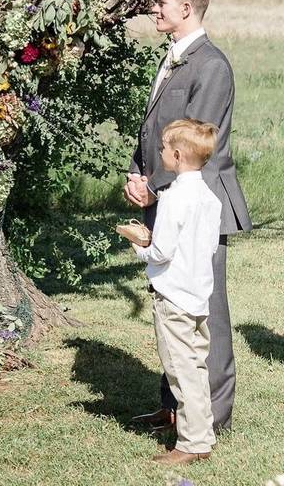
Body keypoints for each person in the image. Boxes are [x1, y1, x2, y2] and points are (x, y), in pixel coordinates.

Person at [125, 0, 251, 433]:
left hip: (200, 205)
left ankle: (211, 418)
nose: (154, 10)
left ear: (185, 8)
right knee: (170, 301)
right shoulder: (174, 58)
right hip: (164, 195)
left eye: (160, 3)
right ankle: (174, 406)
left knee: (206, 310)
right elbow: (155, 130)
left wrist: (153, 187)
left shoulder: (211, 65)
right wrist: (135, 174)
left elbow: (198, 144)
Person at [131, 119, 222, 466]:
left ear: (179, 155)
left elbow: (162, 251)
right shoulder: (210, 198)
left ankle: (191, 442)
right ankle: (203, 433)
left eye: (165, 148)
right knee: (196, 368)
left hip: (173, 298)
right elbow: (208, 246)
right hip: (198, 296)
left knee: (180, 372)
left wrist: (140, 248)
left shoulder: (173, 198)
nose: (161, 153)